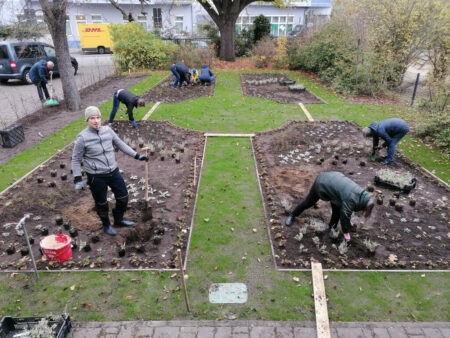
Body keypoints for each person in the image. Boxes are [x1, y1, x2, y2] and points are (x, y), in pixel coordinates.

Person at [72, 106, 149, 236]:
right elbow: (75, 159)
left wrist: (137, 155)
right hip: (96, 177)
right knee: (101, 203)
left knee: (123, 197)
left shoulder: (108, 130)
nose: (96, 121)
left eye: (98, 117)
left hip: (113, 171)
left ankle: (119, 220)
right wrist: (78, 179)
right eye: (92, 118)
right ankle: (106, 225)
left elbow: (120, 144)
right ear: (87, 120)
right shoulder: (82, 138)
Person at [285, 171, 375, 242]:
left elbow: (345, 210)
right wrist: (346, 232)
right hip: (323, 183)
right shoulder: (351, 199)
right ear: (363, 206)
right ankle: (292, 215)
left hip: (334, 183)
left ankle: (331, 228)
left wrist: (349, 223)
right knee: (308, 202)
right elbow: (345, 215)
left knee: (336, 210)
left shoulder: (362, 194)